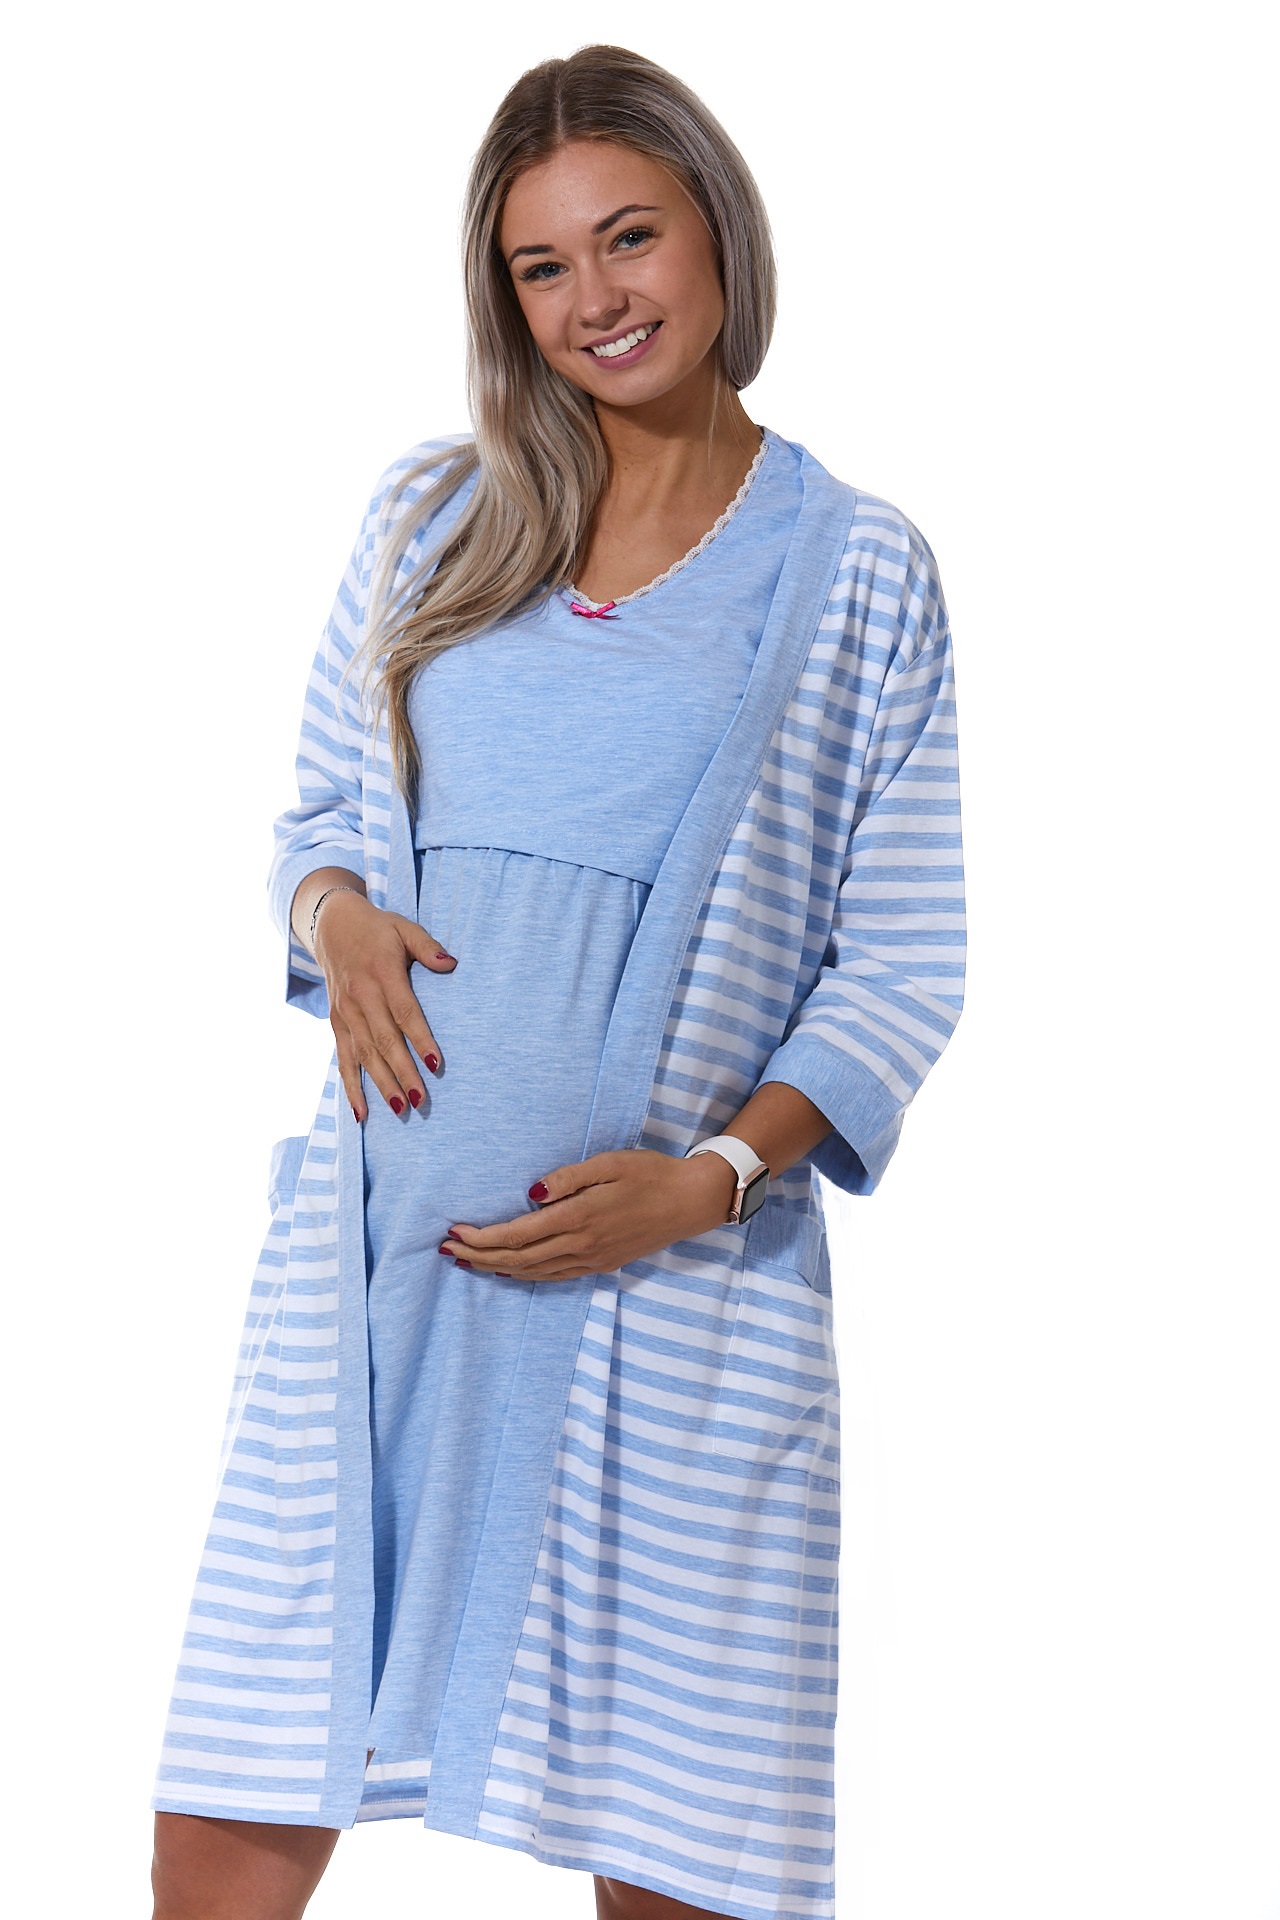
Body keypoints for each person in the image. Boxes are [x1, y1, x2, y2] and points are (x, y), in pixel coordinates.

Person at [149, 41, 966, 1920]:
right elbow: (317, 821)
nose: (596, 296)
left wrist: (716, 1180)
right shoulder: (432, 518)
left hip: (670, 1310)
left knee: (679, 1852)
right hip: (377, 1284)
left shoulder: (856, 571)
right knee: (234, 1813)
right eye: (542, 265)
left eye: (630, 237)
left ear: (719, 235)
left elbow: (903, 956)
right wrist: (335, 916)